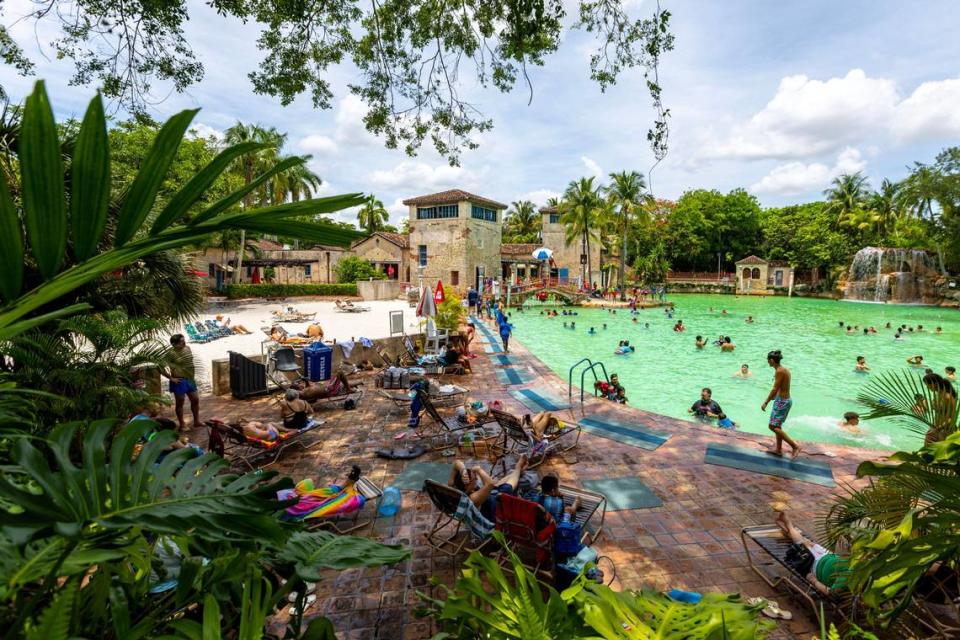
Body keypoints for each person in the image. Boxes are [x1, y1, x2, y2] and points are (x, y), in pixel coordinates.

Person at [776, 511, 849, 595]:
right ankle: (787, 527)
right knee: (806, 542)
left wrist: (813, 581)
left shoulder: (848, 575)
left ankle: (789, 525)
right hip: (828, 556)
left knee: (802, 544)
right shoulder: (858, 561)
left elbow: (830, 592)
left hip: (813, 563)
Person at [449, 454, 529, 522]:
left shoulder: (452, 486)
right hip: (491, 512)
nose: (477, 479)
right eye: (475, 479)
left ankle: (518, 472)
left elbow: (456, 463)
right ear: (467, 485)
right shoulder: (472, 498)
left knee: (498, 484)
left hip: (489, 498)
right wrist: (479, 470)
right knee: (505, 488)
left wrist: (463, 471)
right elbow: (489, 484)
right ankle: (518, 468)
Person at [762, 350, 801, 458]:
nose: (767, 362)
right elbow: (781, 387)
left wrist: (766, 401)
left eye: (768, 360)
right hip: (783, 400)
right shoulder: (784, 370)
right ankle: (778, 450)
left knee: (772, 426)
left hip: (782, 402)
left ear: (771, 360)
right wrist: (775, 397)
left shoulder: (779, 371)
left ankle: (795, 446)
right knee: (777, 426)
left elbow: (775, 388)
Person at [163, 334, 200, 432]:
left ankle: (196, 421)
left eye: (184, 340)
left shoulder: (188, 348)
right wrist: (171, 378)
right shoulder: (170, 353)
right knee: (180, 403)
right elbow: (159, 366)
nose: (184, 343)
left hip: (190, 379)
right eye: (181, 342)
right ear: (174, 344)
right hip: (179, 381)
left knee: (195, 399)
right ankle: (182, 424)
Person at [922, 372, 958, 444]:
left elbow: (953, 418)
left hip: (945, 429)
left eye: (927, 385)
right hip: (936, 427)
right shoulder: (938, 394)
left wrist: (938, 428)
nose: (927, 387)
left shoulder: (948, 397)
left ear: (934, 384)